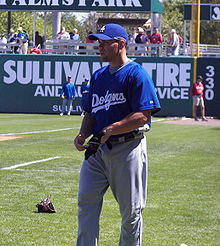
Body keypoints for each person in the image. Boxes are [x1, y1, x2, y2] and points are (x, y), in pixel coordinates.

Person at [73, 23, 161, 246]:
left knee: (131, 213)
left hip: (127, 149)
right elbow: (91, 111)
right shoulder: (99, 76)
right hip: (97, 152)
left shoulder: (136, 73)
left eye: (104, 42)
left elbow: (143, 116)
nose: (99, 46)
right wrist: (83, 134)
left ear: (121, 44)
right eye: (98, 42)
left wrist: (110, 129)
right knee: (86, 205)